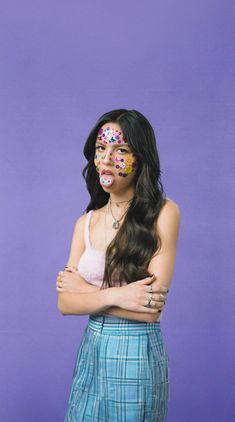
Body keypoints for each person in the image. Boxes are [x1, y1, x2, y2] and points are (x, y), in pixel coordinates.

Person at [56, 109, 181, 421]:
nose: (107, 158)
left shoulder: (164, 213)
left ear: (141, 158)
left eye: (121, 150)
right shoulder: (84, 223)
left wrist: (86, 293)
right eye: (101, 148)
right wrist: (118, 296)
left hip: (136, 352)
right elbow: (64, 302)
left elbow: (151, 309)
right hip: (91, 349)